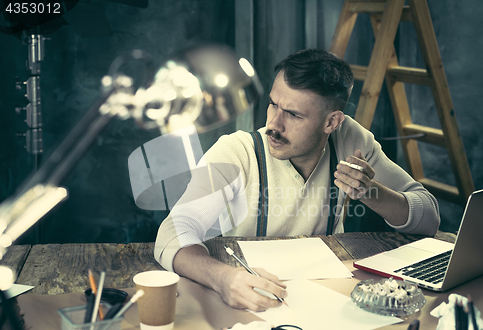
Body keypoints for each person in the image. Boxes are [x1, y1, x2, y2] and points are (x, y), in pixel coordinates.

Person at [154, 49, 440, 312]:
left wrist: (370, 191)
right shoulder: (237, 151)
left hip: (326, 295)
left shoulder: (351, 140)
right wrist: (223, 278)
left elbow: (429, 217)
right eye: (273, 104)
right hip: (251, 296)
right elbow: (174, 232)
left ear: (332, 122)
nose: (274, 125)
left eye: (293, 114)